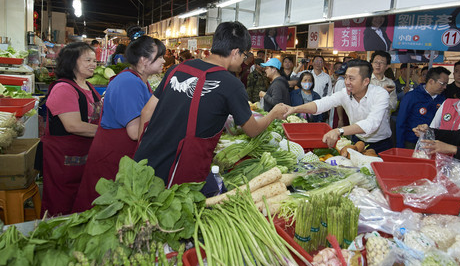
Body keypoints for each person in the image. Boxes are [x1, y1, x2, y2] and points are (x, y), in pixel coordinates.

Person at [134, 21, 287, 195]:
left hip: (146, 160)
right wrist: (273, 114)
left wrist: (144, 151)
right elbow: (252, 130)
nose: (244, 61)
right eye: (244, 55)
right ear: (235, 52)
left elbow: (146, 112)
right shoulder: (231, 84)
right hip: (178, 172)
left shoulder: (177, 69)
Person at [73, 37, 166, 211]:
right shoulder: (128, 82)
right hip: (112, 158)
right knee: (101, 209)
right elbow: (133, 131)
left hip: (120, 156)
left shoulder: (140, 82)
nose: (163, 60)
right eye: (159, 56)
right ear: (143, 60)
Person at [41, 42, 102, 216]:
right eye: (88, 60)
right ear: (71, 62)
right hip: (63, 160)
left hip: (84, 157)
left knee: (81, 202)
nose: (93, 64)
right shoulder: (64, 88)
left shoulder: (88, 87)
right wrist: (107, 133)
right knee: (61, 204)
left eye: (95, 60)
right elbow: (73, 125)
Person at [284, 59, 393, 153]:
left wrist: (338, 131)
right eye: (345, 77)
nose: (347, 82)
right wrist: (294, 109)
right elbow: (322, 104)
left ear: (366, 81)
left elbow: (371, 124)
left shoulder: (380, 94)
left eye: (351, 78)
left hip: (381, 144)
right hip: (357, 140)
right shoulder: (344, 93)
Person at [396, 66, 450, 148]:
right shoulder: (412, 96)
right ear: (431, 81)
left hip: (433, 144)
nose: (445, 87)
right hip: (411, 143)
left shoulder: (443, 99)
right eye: (442, 84)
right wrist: (399, 146)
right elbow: (401, 122)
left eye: (446, 84)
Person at [332, 63, 349, 127]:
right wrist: (340, 119)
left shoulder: (340, 81)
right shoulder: (341, 82)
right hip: (340, 114)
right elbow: (339, 102)